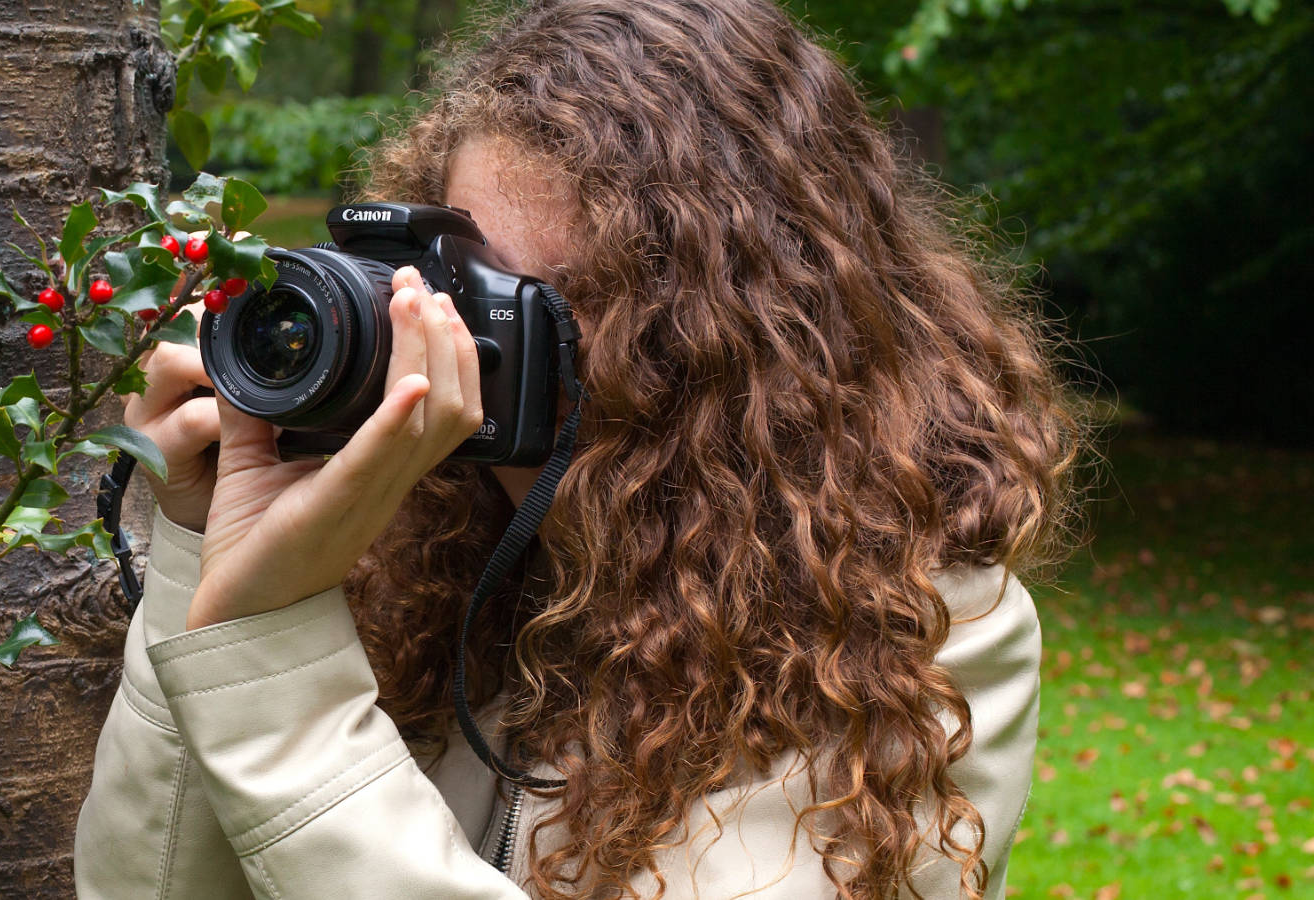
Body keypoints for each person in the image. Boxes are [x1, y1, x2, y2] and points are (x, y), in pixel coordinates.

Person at [74, 0, 1081, 897]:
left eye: (561, 306)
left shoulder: (920, 627)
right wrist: (212, 555)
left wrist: (280, 683)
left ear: (740, 338)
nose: (477, 349)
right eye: (468, 287)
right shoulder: (410, 545)